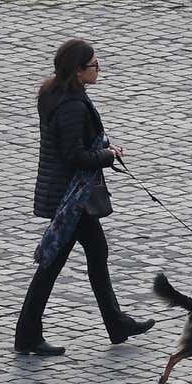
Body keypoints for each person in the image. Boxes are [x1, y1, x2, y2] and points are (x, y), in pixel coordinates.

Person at [14, 38, 154, 357]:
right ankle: (27, 336)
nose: (98, 69)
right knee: (52, 265)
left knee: (96, 254)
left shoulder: (54, 93)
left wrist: (104, 151)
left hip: (67, 196)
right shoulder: (72, 105)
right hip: (71, 199)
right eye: (93, 65)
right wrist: (106, 155)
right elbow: (73, 155)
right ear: (78, 71)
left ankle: (116, 324)